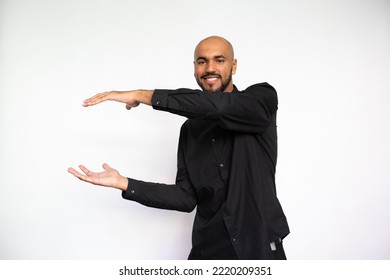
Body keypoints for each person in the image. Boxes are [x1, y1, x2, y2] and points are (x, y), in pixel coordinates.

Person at [68, 36, 289, 260]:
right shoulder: (189, 130)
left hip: (259, 250)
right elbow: (185, 197)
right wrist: (124, 183)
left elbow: (220, 108)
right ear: (194, 68)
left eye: (219, 60)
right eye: (202, 61)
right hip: (208, 252)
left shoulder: (261, 100)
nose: (210, 68)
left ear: (234, 65)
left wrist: (141, 95)